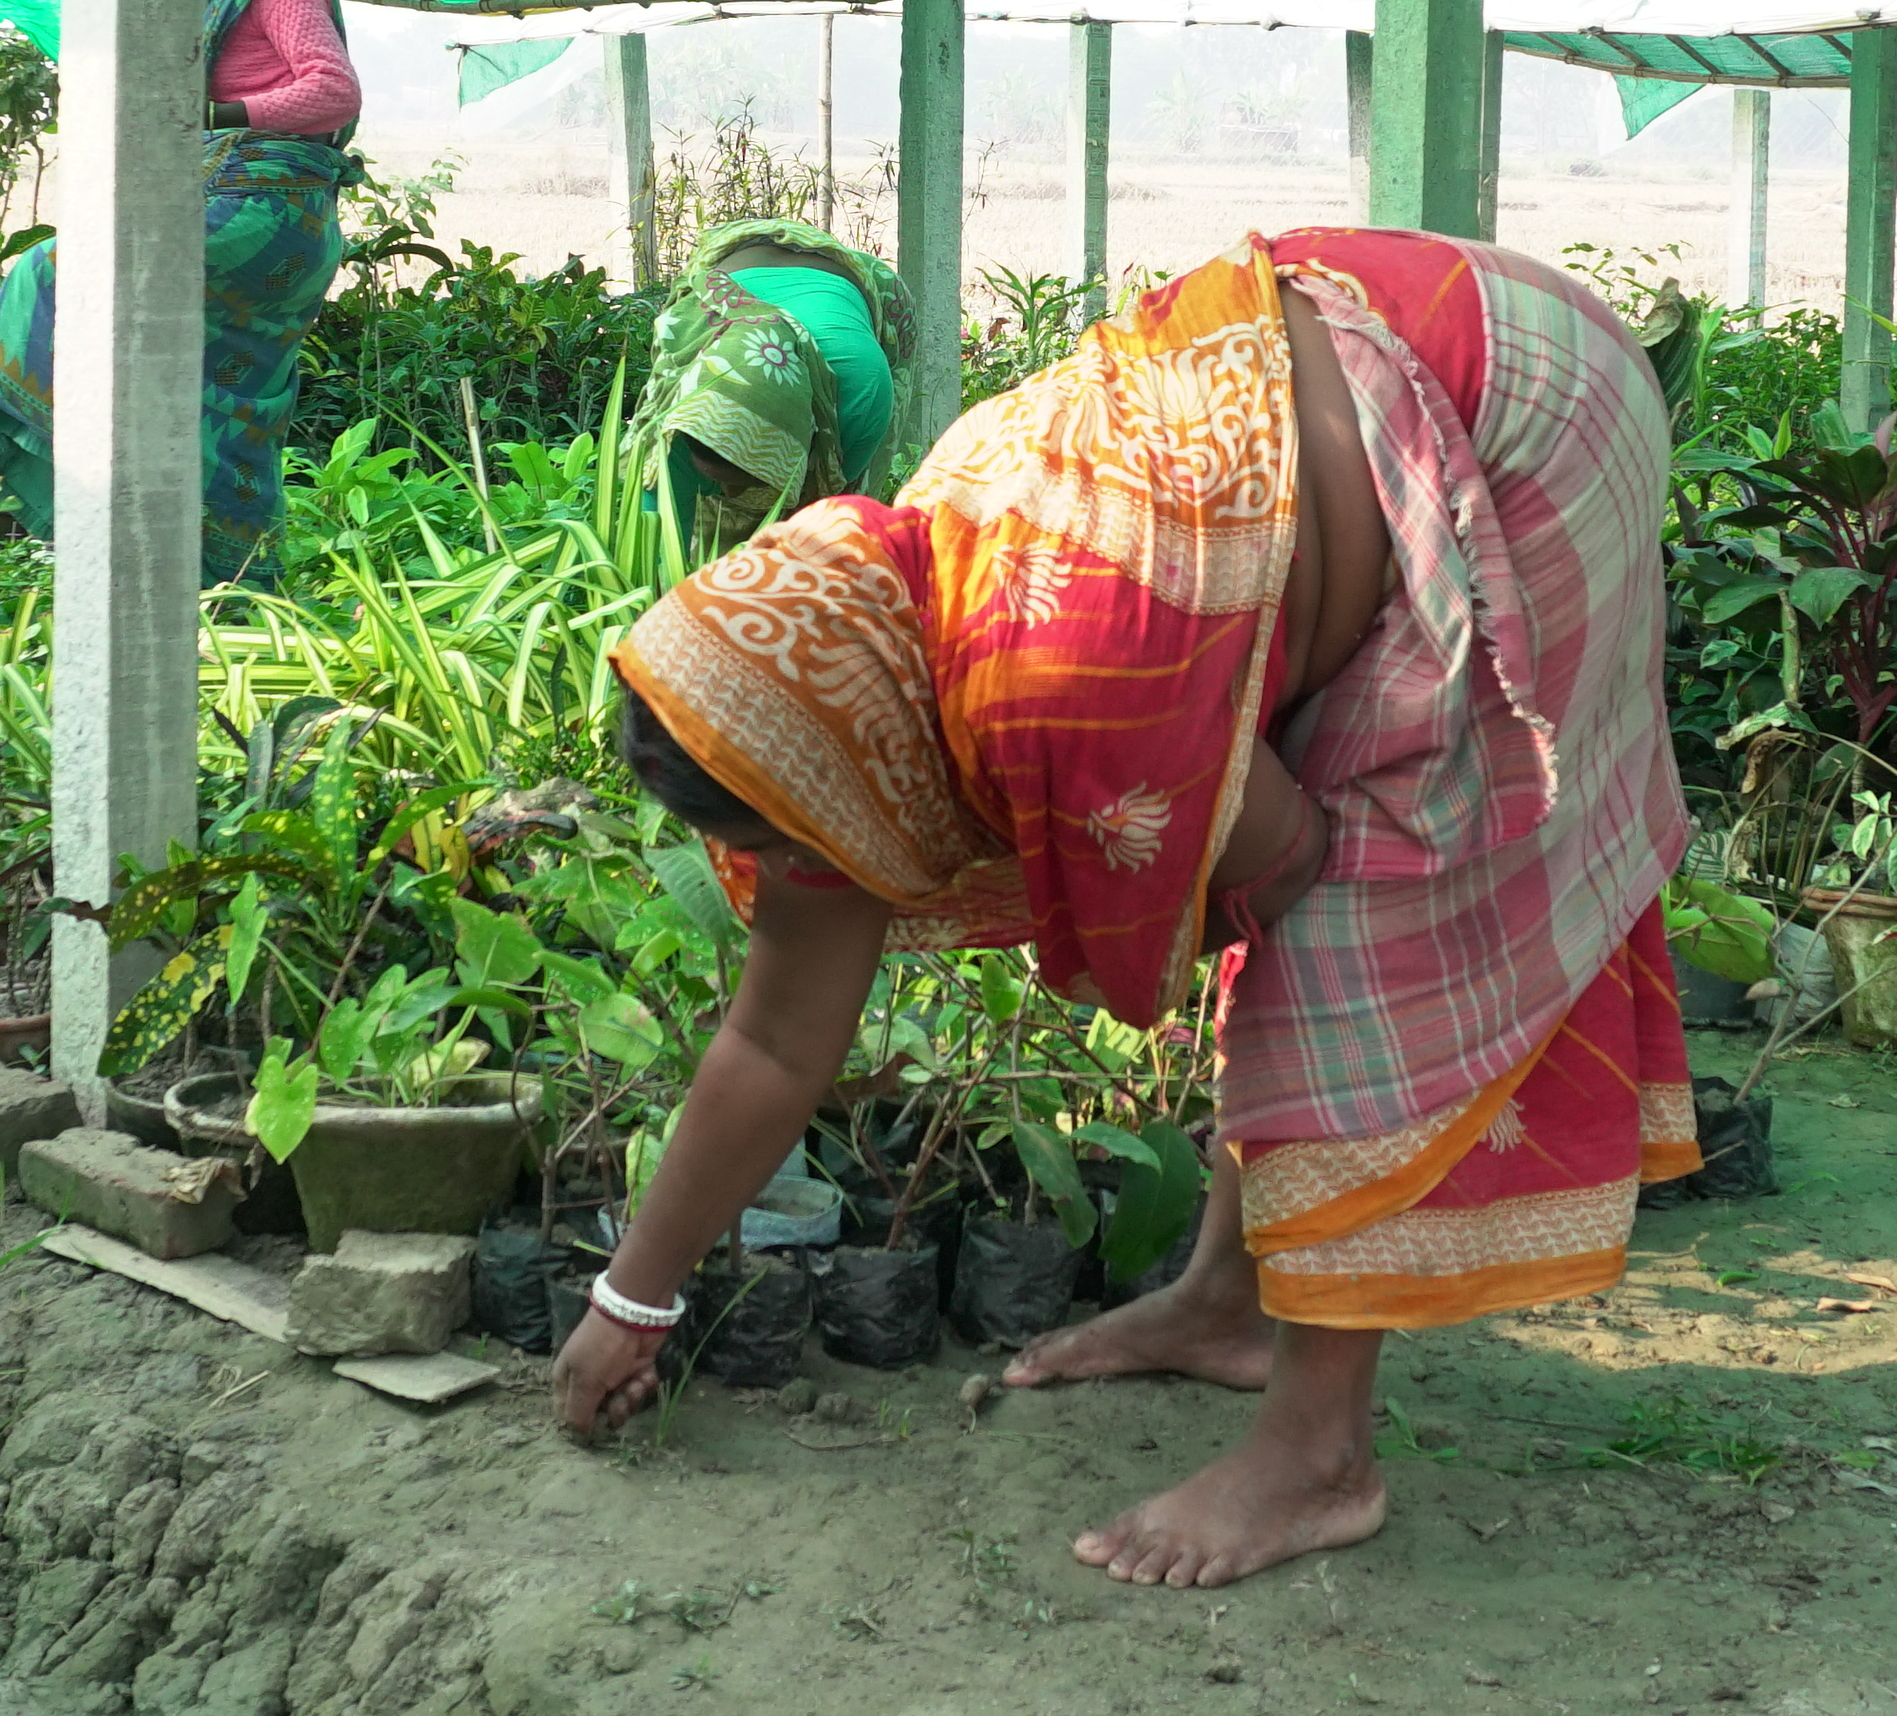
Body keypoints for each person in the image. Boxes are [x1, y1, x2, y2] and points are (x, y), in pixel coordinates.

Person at [575, 228, 1689, 1588]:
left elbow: (1284, 863)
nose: (815, 865)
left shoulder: (1052, 676)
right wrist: (631, 1302)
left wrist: (1188, 847)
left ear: (846, 755)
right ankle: (1230, 1305)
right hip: (1366, 360)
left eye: (800, 832)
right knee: (1282, 895)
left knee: (1348, 924)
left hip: (1517, 404)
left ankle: (1319, 1457)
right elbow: (775, 1037)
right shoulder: (851, 636)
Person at [0, 0, 361, 585]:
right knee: (207, 395)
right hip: (262, 211)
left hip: (261, 212)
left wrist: (214, 111)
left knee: (56, 272)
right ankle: (224, 583)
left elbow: (333, 93)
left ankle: (65, 474)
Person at [645, 215, 909, 555]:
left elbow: (833, 504)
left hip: (857, 285)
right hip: (733, 263)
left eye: (741, 483)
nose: (728, 495)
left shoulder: (861, 387)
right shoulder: (682, 389)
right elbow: (658, 525)